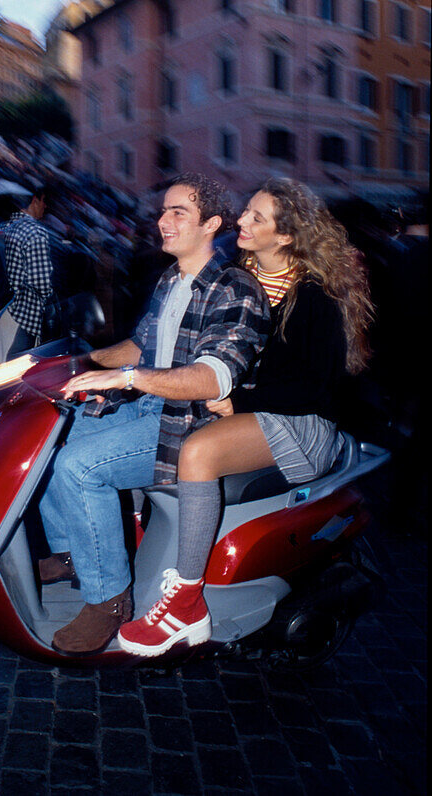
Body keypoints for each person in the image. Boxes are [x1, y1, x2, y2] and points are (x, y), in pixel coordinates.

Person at [118, 178, 373, 657]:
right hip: (251, 408)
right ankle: (145, 547)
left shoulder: (316, 296)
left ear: (287, 236)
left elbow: (317, 389)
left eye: (258, 218)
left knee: (197, 451)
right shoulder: (239, 275)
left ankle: (187, 604)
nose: (243, 221)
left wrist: (240, 400)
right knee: (142, 427)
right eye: (246, 213)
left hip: (300, 422)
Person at [38, 173, 270, 655]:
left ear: (211, 224)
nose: (162, 221)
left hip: (190, 425)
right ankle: (73, 553)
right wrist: (79, 363)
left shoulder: (236, 288)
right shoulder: (172, 279)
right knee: (51, 434)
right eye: (163, 211)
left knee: (81, 468)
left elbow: (213, 378)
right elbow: (140, 347)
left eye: (177, 212)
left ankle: (108, 601)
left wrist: (124, 379)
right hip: (148, 405)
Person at [0, 184, 53, 363]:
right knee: (15, 380)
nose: (45, 207)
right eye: (44, 201)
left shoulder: (4, 227)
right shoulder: (35, 231)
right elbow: (41, 283)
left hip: (1, 311)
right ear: (34, 200)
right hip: (23, 315)